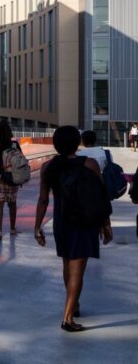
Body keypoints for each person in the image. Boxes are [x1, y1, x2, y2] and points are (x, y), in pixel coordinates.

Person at [34, 126, 113, 332]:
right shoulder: (90, 164)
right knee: (78, 270)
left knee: (67, 265)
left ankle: (74, 302)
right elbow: (100, 196)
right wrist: (106, 224)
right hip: (84, 222)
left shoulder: (48, 167)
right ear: (77, 143)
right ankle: (67, 318)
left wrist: (37, 226)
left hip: (62, 222)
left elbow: (43, 200)